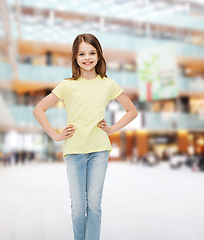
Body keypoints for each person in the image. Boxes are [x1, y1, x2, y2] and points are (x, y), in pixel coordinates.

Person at [33, 33, 138, 240]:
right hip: (74, 151)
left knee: (95, 205)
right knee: (78, 208)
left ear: (99, 55)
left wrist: (112, 129)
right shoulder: (67, 85)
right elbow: (38, 109)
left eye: (92, 52)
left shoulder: (107, 84)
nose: (87, 57)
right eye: (82, 53)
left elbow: (132, 111)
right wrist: (55, 135)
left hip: (99, 149)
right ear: (75, 57)